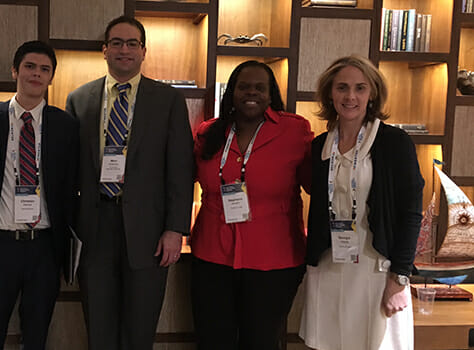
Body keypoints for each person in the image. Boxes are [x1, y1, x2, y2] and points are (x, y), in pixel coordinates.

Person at [65, 15, 194, 350]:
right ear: (104, 50)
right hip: (95, 227)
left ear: (143, 51)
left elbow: (181, 168)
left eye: (132, 43)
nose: (125, 50)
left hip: (150, 231)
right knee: (99, 324)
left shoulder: (168, 100)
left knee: (140, 327)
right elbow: (70, 169)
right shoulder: (79, 100)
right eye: (117, 43)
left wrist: (175, 229)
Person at [299, 55, 424, 350]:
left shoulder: (394, 143)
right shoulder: (321, 145)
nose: (350, 96)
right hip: (329, 266)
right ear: (330, 93)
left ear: (373, 94)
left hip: (376, 270)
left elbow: (411, 213)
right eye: (342, 87)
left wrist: (400, 277)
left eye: (360, 88)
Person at [190, 60, 312, 349]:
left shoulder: (294, 131)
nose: (251, 93)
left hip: (274, 260)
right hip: (212, 256)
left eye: (260, 87)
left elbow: (318, 186)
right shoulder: (208, 133)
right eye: (243, 86)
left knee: (261, 342)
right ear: (231, 92)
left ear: (271, 95)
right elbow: (179, 180)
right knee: (212, 341)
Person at [0, 40, 78, 350]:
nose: (36, 74)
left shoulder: (65, 125)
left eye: (45, 69)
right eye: (30, 66)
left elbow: (70, 186)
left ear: (51, 77)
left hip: (44, 247)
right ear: (14, 70)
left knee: (37, 331)